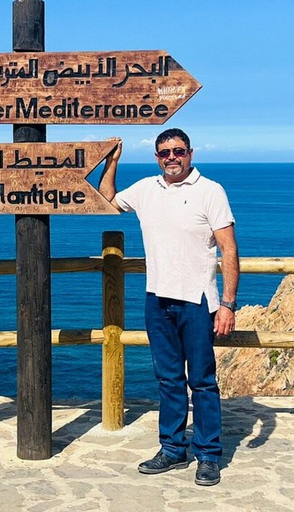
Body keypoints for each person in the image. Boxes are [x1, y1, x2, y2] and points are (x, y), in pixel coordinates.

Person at [99, 129, 239, 487]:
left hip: (197, 300)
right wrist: (112, 162)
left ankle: (207, 455)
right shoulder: (147, 189)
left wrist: (227, 304)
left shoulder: (211, 191)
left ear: (190, 153)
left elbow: (229, 250)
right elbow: (107, 199)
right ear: (157, 157)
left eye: (178, 151)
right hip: (157, 298)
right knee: (168, 380)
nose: (171, 157)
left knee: (203, 382)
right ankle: (172, 448)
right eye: (164, 153)